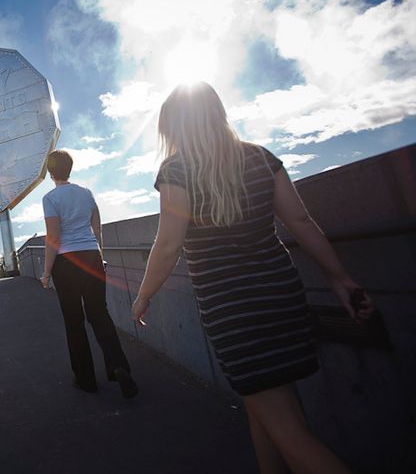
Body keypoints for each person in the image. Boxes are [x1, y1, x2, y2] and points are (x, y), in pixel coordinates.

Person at [131, 82, 374, 474]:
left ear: (175, 127)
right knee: (268, 410)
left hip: (233, 311)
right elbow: (300, 220)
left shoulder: (176, 169)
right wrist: (341, 279)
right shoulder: (261, 158)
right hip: (282, 297)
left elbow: (169, 243)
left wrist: (144, 294)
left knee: (288, 430)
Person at [41, 150, 138, 398]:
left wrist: (46, 272)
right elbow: (97, 229)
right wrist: (100, 256)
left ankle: (86, 380)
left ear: (51, 172)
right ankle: (118, 366)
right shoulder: (86, 193)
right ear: (70, 168)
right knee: (99, 314)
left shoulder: (50, 198)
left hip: (67, 261)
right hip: (91, 256)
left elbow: (53, 237)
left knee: (74, 321)